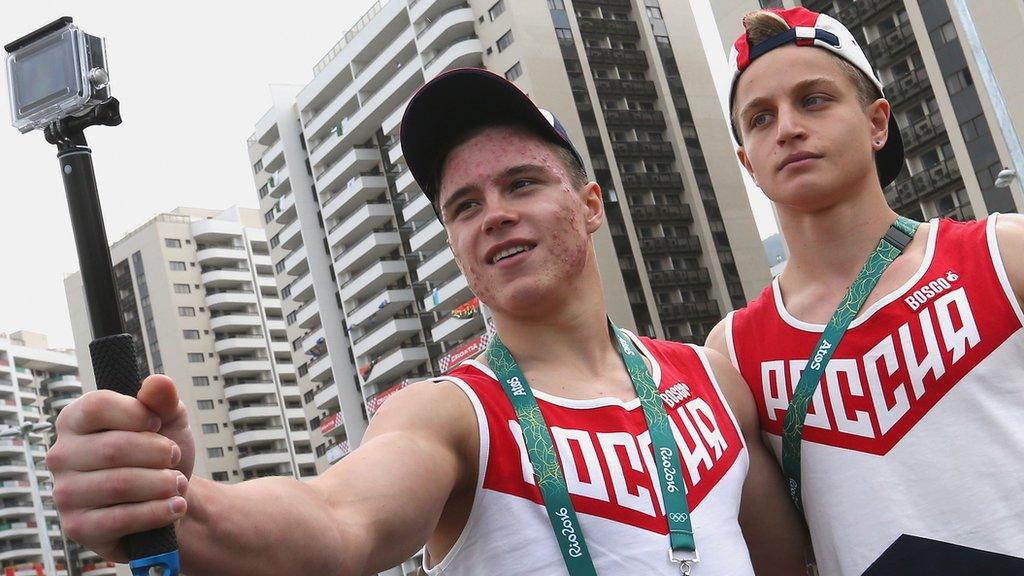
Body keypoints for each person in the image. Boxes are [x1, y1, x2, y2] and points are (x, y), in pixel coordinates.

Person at [47, 68, 807, 575]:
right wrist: (175, 498)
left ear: (591, 204)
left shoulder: (710, 379)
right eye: (465, 206)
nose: (496, 215)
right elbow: (338, 521)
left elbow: (787, 560)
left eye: (522, 183)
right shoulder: (452, 414)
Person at [706, 7, 1024, 575]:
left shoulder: (1004, 256)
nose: (787, 128)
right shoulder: (732, 353)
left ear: (877, 123)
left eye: (814, 100)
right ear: (747, 164)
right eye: (759, 118)